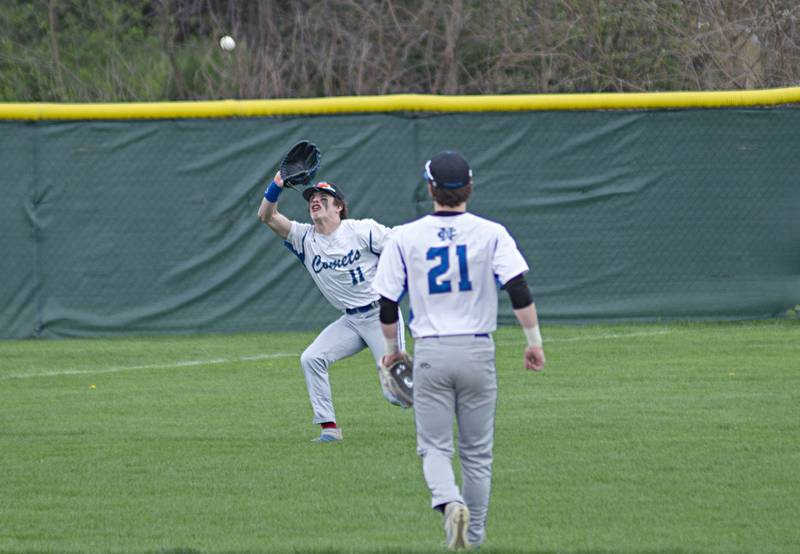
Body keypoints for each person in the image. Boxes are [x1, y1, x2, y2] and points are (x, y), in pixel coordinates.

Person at [372, 150, 546, 549]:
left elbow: (386, 302)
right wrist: (533, 343)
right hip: (478, 351)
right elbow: (518, 289)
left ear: (430, 188)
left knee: (434, 446)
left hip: (432, 351)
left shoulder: (405, 235)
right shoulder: (492, 232)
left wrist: (392, 350)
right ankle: (476, 536)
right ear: (469, 186)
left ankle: (449, 503)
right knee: (477, 453)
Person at [258, 166, 405, 443]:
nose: (315, 200)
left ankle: (440, 391)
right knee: (312, 358)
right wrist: (276, 184)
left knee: (395, 395)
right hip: (350, 320)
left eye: (323, 198)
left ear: (338, 206)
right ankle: (329, 429)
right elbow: (266, 216)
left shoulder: (361, 230)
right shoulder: (304, 238)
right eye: (312, 198)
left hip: (380, 316)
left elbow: (401, 245)